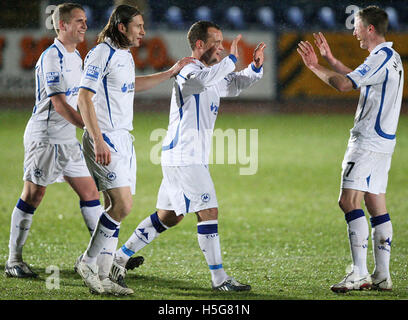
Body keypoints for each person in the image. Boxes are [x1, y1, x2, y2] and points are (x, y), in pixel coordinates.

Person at [109, 20, 266, 291]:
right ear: (199, 45)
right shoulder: (189, 70)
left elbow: (234, 85)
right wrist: (230, 59)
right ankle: (220, 279)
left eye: (221, 42)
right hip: (184, 155)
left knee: (169, 216)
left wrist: (255, 67)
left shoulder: (211, 73)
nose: (220, 46)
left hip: (186, 156)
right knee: (208, 210)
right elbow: (208, 80)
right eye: (215, 42)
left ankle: (119, 258)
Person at [75, 4, 193, 295]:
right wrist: (98, 139)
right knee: (122, 205)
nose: (143, 31)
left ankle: (104, 277)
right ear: (121, 27)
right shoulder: (101, 53)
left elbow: (131, 86)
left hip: (124, 139)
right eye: (138, 26)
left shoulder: (125, 56)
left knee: (116, 208)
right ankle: (87, 262)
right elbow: (83, 97)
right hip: (105, 138)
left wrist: (170, 72)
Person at [297, 6, 404, 293]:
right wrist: (331, 59)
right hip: (382, 142)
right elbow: (361, 79)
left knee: (348, 201)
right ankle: (382, 275)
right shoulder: (389, 58)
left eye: (356, 26)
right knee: (375, 204)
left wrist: (314, 67)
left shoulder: (381, 57)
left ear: (370, 29)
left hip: (367, 141)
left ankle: (358, 273)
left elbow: (345, 85)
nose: (353, 31)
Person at [4, 3, 113, 281]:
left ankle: (103, 257)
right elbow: (60, 104)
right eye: (78, 21)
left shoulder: (76, 55)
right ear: (61, 25)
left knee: (90, 192)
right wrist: (90, 129)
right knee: (33, 195)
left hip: (66, 139)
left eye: (85, 21)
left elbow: (80, 99)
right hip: (46, 138)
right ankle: (13, 260)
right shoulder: (51, 57)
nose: (85, 26)